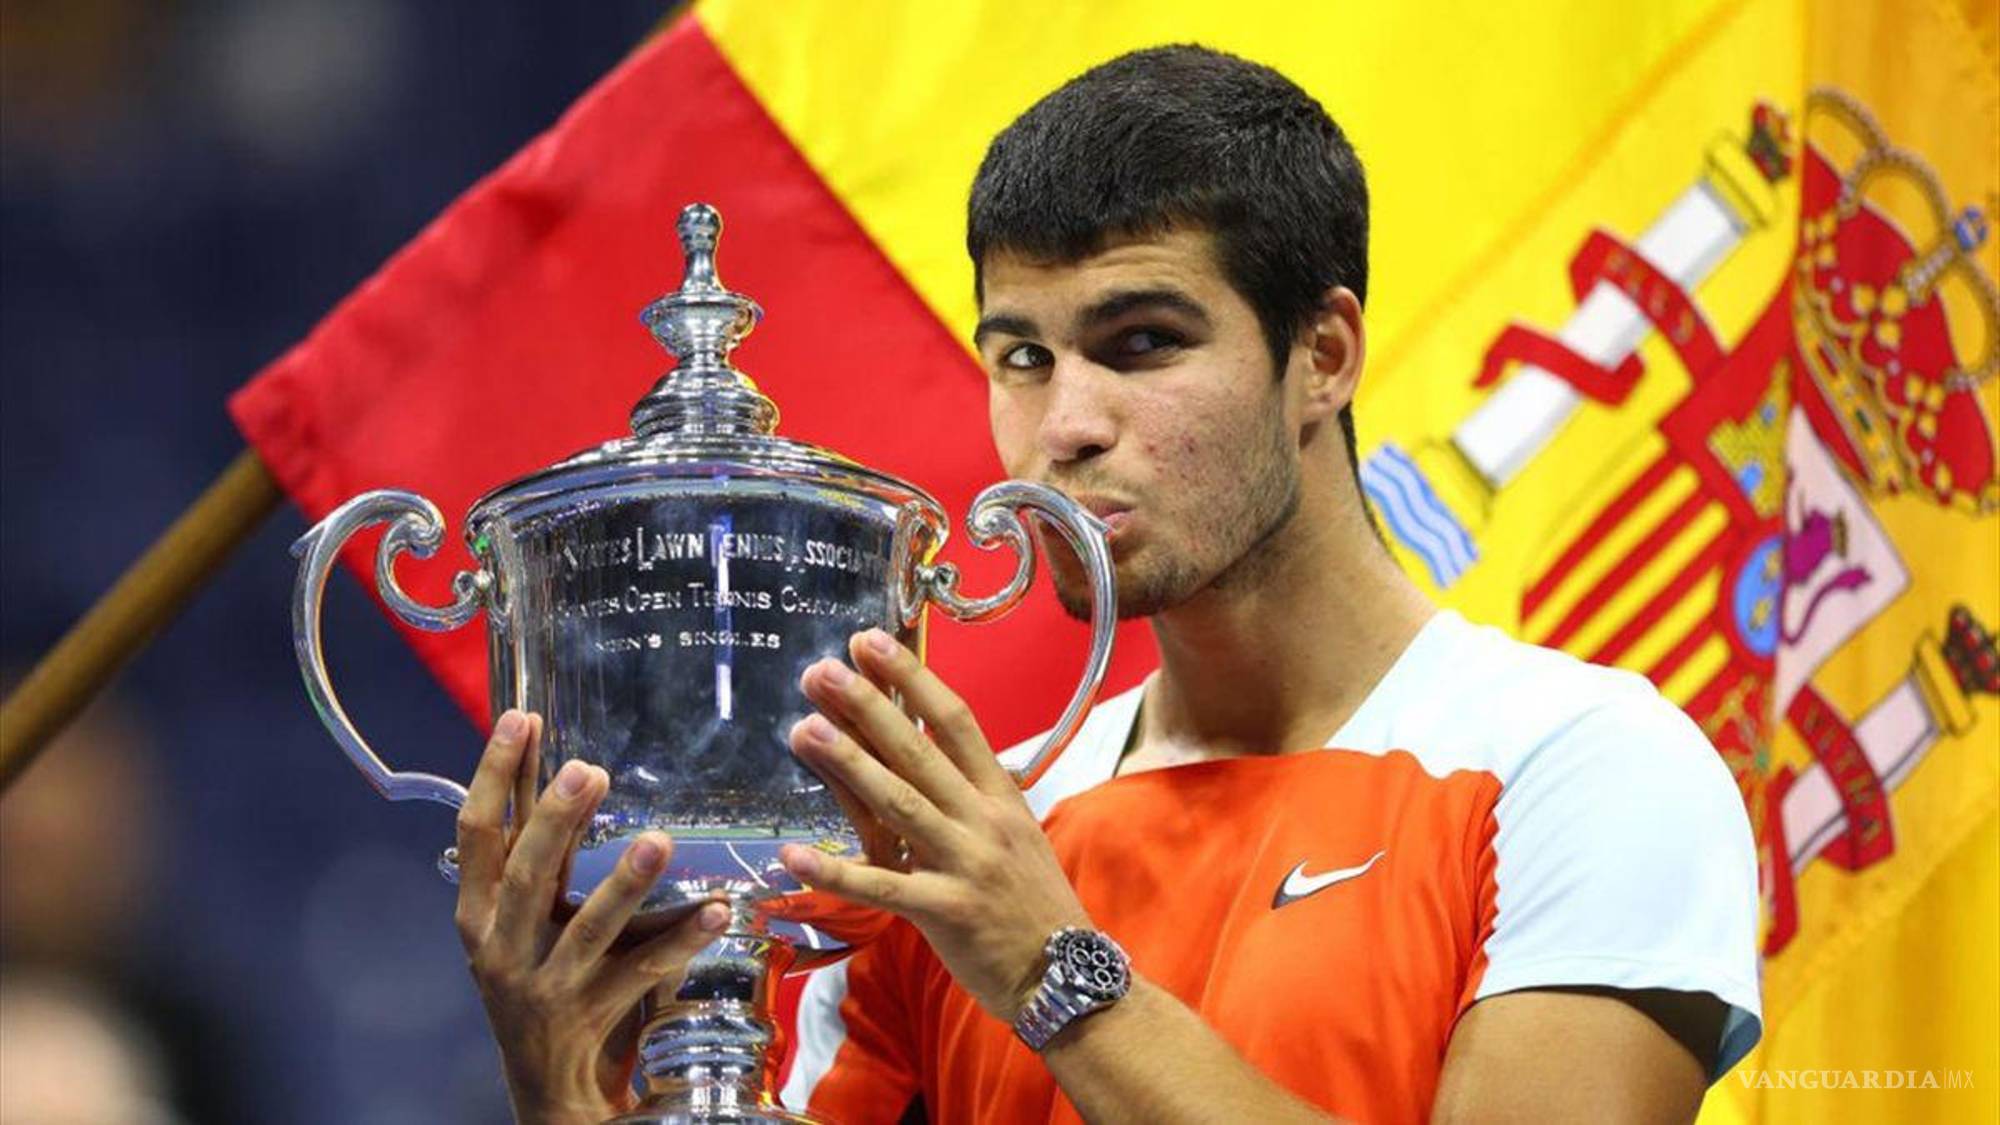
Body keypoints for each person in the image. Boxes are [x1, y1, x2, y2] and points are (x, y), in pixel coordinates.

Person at [452, 45, 1761, 1124]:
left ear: (1324, 353)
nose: (1065, 423)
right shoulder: (954, 845)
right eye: (1020, 355)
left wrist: (1052, 968)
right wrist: (569, 1095)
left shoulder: (1585, 765)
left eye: (1142, 342)